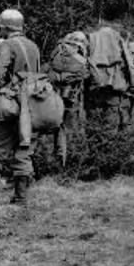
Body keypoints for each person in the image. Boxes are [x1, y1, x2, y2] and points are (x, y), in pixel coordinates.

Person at [0, 8, 44, 204]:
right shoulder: (33, 45)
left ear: (6, 27)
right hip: (32, 102)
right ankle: (21, 196)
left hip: (12, 103)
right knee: (24, 147)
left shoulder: (7, 45)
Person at [47, 30, 91, 167]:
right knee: (71, 128)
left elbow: (49, 69)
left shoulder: (57, 52)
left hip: (55, 95)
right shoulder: (80, 57)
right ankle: (71, 162)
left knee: (58, 127)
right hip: (72, 98)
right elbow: (86, 75)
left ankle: (57, 158)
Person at [87, 23, 134, 130]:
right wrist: (132, 84)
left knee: (95, 114)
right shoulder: (117, 44)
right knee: (112, 115)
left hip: (96, 85)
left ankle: (93, 140)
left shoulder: (92, 42)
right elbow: (129, 66)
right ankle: (111, 141)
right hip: (115, 86)